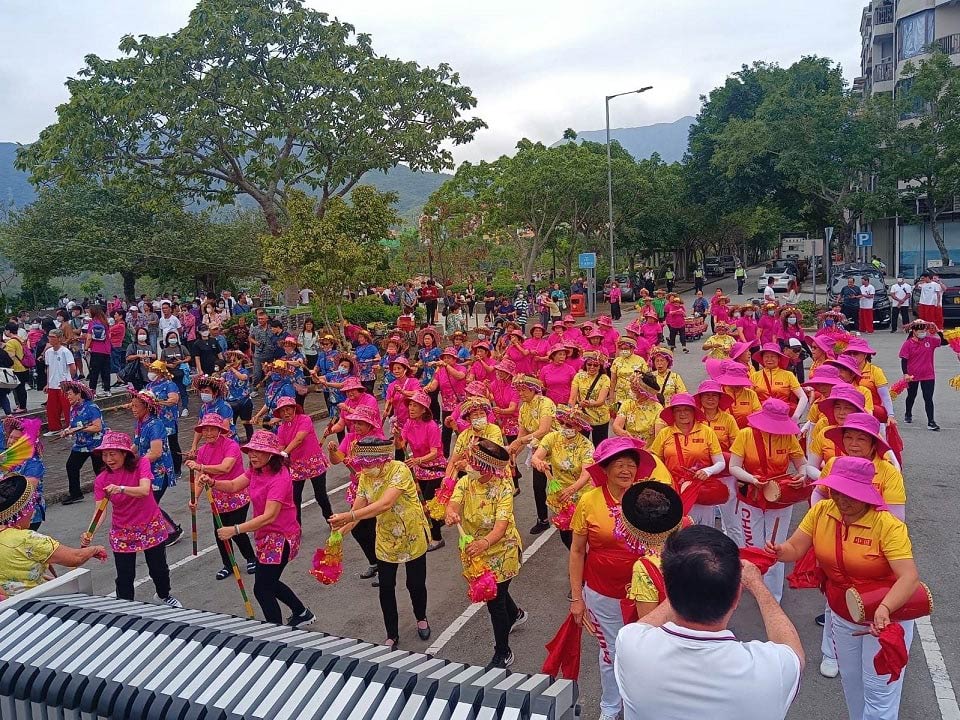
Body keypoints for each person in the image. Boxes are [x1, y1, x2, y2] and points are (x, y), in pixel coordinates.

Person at [770, 457, 922, 720]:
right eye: (836, 491)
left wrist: (885, 609)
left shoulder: (888, 525)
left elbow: (909, 577)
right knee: (852, 683)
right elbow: (795, 548)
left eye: (850, 493)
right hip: (843, 611)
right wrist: (779, 551)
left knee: (879, 691)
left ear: (867, 493)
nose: (842, 499)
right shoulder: (821, 511)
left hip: (883, 618)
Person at [616, 525, 803, 720]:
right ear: (736, 597)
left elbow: (642, 625)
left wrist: (682, 582)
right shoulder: (770, 670)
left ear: (667, 590)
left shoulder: (630, 645)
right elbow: (794, 651)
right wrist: (757, 584)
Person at [568, 437, 661, 720]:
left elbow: (665, 539)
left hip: (646, 595)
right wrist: (576, 597)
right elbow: (576, 550)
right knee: (610, 652)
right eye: (619, 465)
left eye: (631, 465)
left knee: (646, 653)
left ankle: (642, 707)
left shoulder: (648, 497)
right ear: (605, 470)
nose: (625, 471)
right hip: (602, 592)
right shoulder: (589, 501)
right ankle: (610, 708)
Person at [198, 430, 315, 627]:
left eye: (258, 451)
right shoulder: (255, 470)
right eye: (251, 450)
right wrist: (213, 482)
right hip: (266, 536)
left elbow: (269, 516)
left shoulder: (280, 477)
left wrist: (234, 530)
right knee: (270, 582)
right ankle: (301, 612)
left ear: (271, 454)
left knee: (262, 589)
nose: (252, 455)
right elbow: (235, 485)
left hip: (281, 537)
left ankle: (277, 632)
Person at [329, 437, 432, 649]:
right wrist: (338, 533)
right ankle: (391, 633)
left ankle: (421, 617)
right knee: (386, 587)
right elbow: (356, 512)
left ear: (383, 460)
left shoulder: (399, 470)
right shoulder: (366, 477)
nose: (364, 468)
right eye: (362, 463)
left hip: (411, 533)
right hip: (386, 537)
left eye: (368, 463)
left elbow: (384, 504)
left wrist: (347, 518)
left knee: (415, 583)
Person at [445, 438, 526, 668]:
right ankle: (516, 614)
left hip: (502, 550)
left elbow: (500, 528)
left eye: (473, 463)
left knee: (494, 601)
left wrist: (484, 542)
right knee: (499, 594)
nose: (468, 465)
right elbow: (453, 504)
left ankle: (503, 651)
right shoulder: (465, 483)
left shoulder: (503, 489)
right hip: (476, 551)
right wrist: (451, 513)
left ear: (487, 468)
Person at [79, 431, 183, 607]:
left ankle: (163, 596)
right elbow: (100, 510)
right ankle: (126, 607)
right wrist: (90, 532)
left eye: (113, 454)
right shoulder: (102, 480)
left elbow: (143, 490)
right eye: (105, 455)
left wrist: (120, 488)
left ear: (124, 453)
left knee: (159, 569)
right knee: (125, 576)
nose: (108, 459)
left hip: (150, 525)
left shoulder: (141, 464)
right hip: (123, 530)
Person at [728, 399, 806, 601]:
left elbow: (802, 464)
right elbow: (734, 467)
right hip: (750, 498)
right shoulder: (745, 435)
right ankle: (755, 586)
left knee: (775, 547)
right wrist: (752, 479)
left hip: (779, 500)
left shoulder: (789, 438)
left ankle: (773, 596)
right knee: (753, 544)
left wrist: (802, 475)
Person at [185, 414, 258, 579]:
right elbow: (199, 478)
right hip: (217, 498)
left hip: (236, 494)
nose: (209, 433)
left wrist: (201, 466)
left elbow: (225, 468)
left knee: (235, 530)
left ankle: (251, 558)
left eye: (212, 429)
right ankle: (228, 564)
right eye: (205, 429)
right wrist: (194, 498)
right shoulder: (202, 451)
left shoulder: (231, 445)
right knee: (219, 532)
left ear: (220, 431)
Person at [649, 393, 725, 526]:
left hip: (701, 490)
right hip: (673, 490)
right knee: (677, 529)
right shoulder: (665, 433)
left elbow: (721, 463)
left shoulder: (706, 432)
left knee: (703, 530)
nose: (682, 413)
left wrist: (708, 471)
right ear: (673, 413)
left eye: (686, 409)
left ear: (694, 412)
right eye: (678, 410)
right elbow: (655, 462)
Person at [531, 406, 593, 548]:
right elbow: (536, 456)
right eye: (562, 423)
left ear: (578, 427)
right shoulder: (552, 438)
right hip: (560, 493)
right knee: (566, 536)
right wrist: (538, 462)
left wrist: (571, 490)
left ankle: (580, 564)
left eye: (569, 425)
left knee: (581, 536)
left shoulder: (586, 446)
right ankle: (578, 561)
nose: (564, 427)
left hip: (581, 493)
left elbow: (586, 474)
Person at [129, 389, 183, 547]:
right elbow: (136, 444)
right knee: (146, 503)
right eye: (132, 405)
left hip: (159, 471)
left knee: (149, 503)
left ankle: (171, 530)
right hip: (148, 471)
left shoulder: (156, 425)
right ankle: (159, 530)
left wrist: (136, 462)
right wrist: (123, 455)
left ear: (147, 407)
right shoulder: (140, 423)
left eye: (136, 406)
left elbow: (156, 452)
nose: (133, 408)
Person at [398, 390, 448, 549]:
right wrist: (397, 438)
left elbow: (434, 452)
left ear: (424, 409)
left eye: (415, 406)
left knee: (427, 504)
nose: (411, 408)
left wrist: (418, 460)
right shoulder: (408, 423)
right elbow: (401, 445)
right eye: (410, 405)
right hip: (419, 469)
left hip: (435, 469)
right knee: (420, 503)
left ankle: (437, 537)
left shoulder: (432, 426)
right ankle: (432, 528)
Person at [508, 375, 557, 534]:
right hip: (539, 453)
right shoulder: (524, 408)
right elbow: (522, 435)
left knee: (561, 484)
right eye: (518, 390)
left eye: (523, 390)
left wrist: (520, 441)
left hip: (556, 448)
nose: (520, 394)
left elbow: (543, 429)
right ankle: (542, 519)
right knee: (538, 486)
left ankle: (570, 513)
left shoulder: (545, 403)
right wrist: (513, 452)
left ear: (533, 389)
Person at [275, 396, 332, 522]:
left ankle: (331, 521)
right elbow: (280, 445)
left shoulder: (304, 420)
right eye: (282, 411)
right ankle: (296, 527)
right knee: (295, 498)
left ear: (294, 409)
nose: (286, 413)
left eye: (288, 409)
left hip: (313, 462)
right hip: (296, 465)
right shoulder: (281, 428)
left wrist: (284, 452)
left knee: (320, 495)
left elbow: (299, 439)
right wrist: (279, 455)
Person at [59, 380, 106, 505]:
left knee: (99, 469)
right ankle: (75, 494)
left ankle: (107, 491)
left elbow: (97, 427)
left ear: (78, 393)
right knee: (71, 466)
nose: (67, 397)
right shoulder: (73, 408)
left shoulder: (91, 407)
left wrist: (78, 429)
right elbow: (73, 424)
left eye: (69, 394)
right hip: (81, 444)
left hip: (96, 443)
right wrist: (67, 430)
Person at [899, 320, 944, 430]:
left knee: (928, 398)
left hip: (928, 375)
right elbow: (904, 360)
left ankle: (931, 422)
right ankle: (908, 413)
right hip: (912, 376)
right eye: (920, 330)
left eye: (924, 330)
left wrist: (939, 331)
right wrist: (905, 374)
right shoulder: (908, 344)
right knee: (911, 396)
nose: (923, 332)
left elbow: (944, 342)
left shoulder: (930, 341)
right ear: (914, 331)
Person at [569, 351, 611, 445]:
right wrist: (573, 410)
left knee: (600, 446)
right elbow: (572, 398)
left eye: (595, 365)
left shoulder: (605, 378)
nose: (592, 367)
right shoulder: (578, 376)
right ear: (585, 364)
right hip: (582, 415)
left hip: (600, 417)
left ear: (600, 366)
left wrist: (589, 403)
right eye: (589, 364)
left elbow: (601, 400)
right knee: (581, 444)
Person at [42, 329, 76, 436]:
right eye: (49, 337)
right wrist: (48, 383)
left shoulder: (65, 351)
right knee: (52, 408)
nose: (50, 339)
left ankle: (70, 427)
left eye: (53, 337)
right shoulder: (48, 352)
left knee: (67, 407)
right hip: (52, 384)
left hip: (64, 384)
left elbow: (72, 367)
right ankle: (54, 428)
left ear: (60, 339)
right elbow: (48, 368)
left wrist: (69, 380)